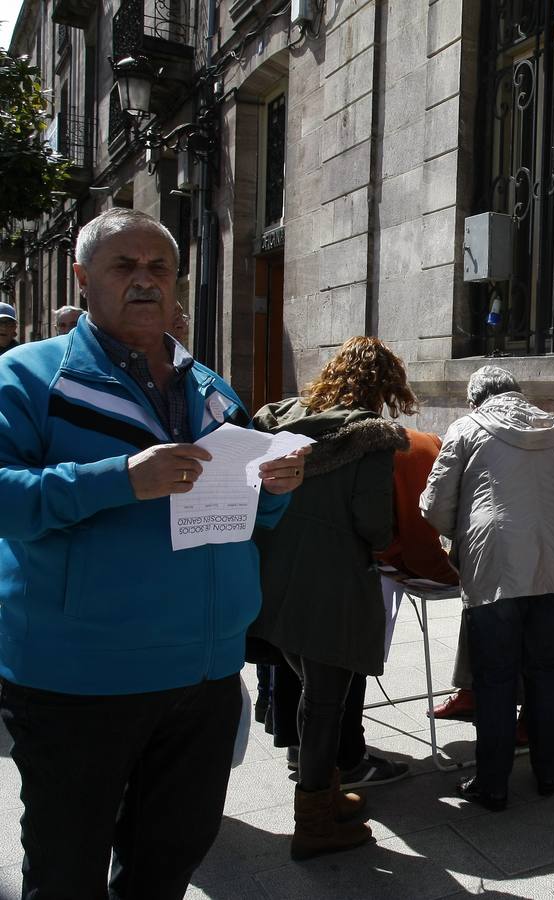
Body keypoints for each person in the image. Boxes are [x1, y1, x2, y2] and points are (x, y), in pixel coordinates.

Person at [0, 207, 306, 899]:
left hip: (203, 677)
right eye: (124, 266)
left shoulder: (213, 389)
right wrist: (119, 480)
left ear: (177, 283)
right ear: (83, 278)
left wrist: (277, 487)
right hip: (79, 679)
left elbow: (250, 512)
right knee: (65, 872)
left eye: (159, 268)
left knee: (166, 865)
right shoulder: (26, 376)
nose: (145, 281)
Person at [421, 365, 554, 811]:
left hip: (496, 566)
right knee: (547, 670)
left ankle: (493, 783)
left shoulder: (466, 427)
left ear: (476, 400)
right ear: (517, 394)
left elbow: (434, 504)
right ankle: (548, 772)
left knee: (494, 678)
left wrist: (466, 534)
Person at [251, 336, 414, 860]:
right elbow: (374, 525)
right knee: (325, 703)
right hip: (332, 586)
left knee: (310, 693)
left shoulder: (285, 417)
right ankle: (314, 823)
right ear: (382, 385)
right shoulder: (369, 438)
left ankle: (321, 791)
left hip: (276, 579)